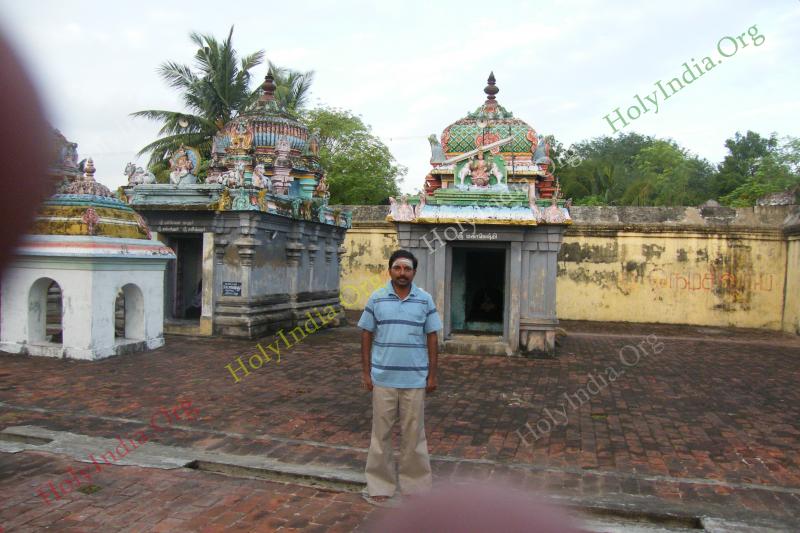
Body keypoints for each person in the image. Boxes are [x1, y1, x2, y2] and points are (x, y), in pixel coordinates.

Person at [357, 249, 442, 506]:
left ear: (414, 272)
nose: (402, 273)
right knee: (380, 435)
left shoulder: (425, 300)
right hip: (383, 377)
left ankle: (415, 484)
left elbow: (432, 337)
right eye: (397, 268)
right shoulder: (377, 298)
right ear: (390, 270)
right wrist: (366, 372)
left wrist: (432, 374)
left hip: (415, 379)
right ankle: (380, 484)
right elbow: (366, 334)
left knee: (414, 435)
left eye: (407, 269)